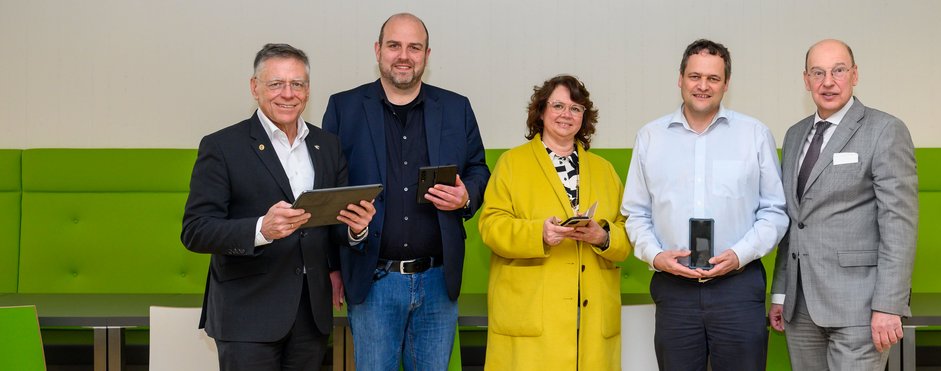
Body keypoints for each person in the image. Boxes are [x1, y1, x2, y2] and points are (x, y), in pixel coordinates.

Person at [181, 43, 376, 370]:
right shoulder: (221, 147)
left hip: (311, 316)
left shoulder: (327, 145)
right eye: (276, 84)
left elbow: (333, 225)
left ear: (308, 90)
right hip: (246, 316)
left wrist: (357, 228)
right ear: (254, 87)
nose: (288, 93)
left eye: (297, 84)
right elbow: (196, 230)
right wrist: (260, 230)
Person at [321, 12, 490, 371]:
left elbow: (478, 169)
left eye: (414, 47)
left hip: (438, 283)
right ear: (378, 50)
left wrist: (467, 197)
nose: (404, 55)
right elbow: (328, 190)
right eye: (394, 45)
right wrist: (332, 267)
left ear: (427, 55)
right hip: (372, 280)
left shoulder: (457, 108)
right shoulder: (343, 108)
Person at [621, 39, 789, 371]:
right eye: (695, 76)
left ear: (726, 84)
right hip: (674, 291)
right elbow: (635, 213)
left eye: (713, 78)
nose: (703, 86)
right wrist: (655, 255)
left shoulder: (755, 135)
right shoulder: (650, 138)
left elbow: (774, 211)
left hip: (738, 289)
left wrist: (739, 254)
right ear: (680, 79)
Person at [768, 39, 918, 371]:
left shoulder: (885, 130)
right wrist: (780, 293)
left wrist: (889, 306)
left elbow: (899, 227)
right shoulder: (794, 136)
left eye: (838, 70)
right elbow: (794, 221)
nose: (828, 82)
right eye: (818, 73)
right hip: (801, 307)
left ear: (854, 74)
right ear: (806, 80)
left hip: (861, 309)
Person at [479, 75, 631, 370]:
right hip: (533, 319)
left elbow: (628, 232)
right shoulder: (511, 164)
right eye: (558, 105)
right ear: (541, 111)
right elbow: (491, 226)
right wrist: (540, 233)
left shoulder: (605, 170)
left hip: (590, 319)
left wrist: (603, 237)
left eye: (576, 108)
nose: (566, 114)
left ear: (585, 118)